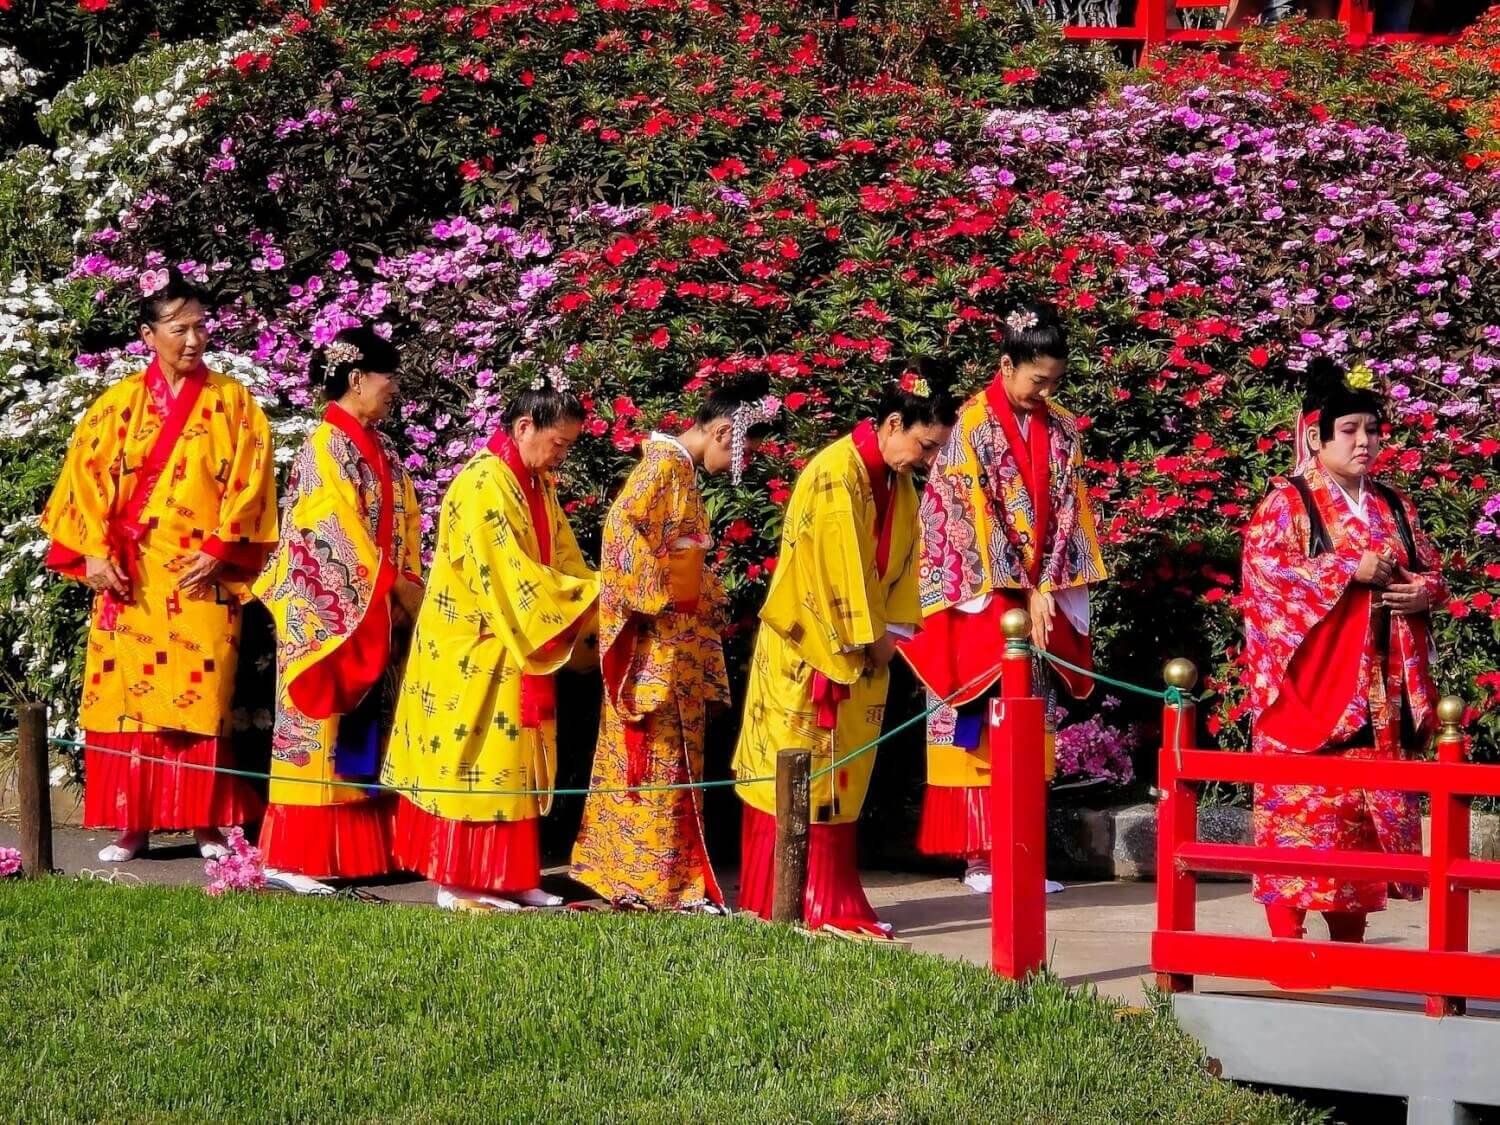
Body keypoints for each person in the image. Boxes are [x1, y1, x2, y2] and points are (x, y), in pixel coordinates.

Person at [41, 269, 277, 863]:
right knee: (128, 703)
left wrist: (222, 547)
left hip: (199, 577)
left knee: (203, 699)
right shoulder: (116, 406)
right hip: (130, 577)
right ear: (149, 335)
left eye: (200, 326)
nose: (195, 338)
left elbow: (253, 480)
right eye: (180, 328)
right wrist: (93, 552)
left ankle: (205, 824)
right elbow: (84, 482)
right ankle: (133, 827)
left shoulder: (232, 403)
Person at [732, 375, 958, 939]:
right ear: (891, 425)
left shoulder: (895, 480)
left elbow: (904, 563)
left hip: (860, 644)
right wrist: (876, 637)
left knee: (839, 773)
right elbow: (837, 571)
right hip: (808, 651)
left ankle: (820, 898)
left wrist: (893, 632)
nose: (927, 460)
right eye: (925, 446)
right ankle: (790, 899)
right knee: (789, 771)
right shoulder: (837, 474)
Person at [900, 306, 1107, 894]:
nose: (1045, 392)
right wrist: (1025, 586)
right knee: (980, 717)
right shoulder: (969, 426)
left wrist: (1048, 585)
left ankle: (1021, 851)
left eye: (1054, 381)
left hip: (1036, 590)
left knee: (1028, 718)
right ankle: (981, 858)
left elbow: (1068, 510)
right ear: (1006, 365)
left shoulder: (1062, 428)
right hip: (981, 595)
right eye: (1036, 379)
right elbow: (970, 518)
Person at [1241, 358, 1445, 943]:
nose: (1364, 442)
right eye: (1350, 429)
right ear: (1317, 437)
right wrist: (1343, 568)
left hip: (1379, 700)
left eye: (1372, 430)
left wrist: (1419, 593)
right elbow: (1265, 581)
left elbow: (1432, 572)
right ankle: (1287, 946)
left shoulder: (1393, 505)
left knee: (1359, 834)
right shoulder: (1287, 502)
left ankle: (1350, 948)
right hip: (1312, 692)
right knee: (1300, 828)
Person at [382, 373, 599, 912]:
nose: (561, 458)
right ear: (526, 426)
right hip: (472, 647)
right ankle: (458, 882)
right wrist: (590, 596)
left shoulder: (534, 483)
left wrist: (595, 589)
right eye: (559, 444)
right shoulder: (483, 484)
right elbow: (508, 573)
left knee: (514, 765)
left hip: (508, 643)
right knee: (474, 762)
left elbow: (563, 559)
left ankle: (513, 874)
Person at [570, 378, 779, 912]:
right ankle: (652, 883)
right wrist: (663, 591)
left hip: (674, 637)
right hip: (659, 641)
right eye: (744, 450)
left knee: (668, 759)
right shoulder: (665, 466)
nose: (745, 461)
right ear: (723, 430)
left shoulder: (675, 468)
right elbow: (620, 529)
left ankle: (649, 879)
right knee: (658, 758)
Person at [252, 328, 425, 895]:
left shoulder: (383, 449)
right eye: (389, 378)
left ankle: (360, 853)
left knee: (367, 733)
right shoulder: (323, 447)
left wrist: (402, 590)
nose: (395, 389)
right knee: (318, 734)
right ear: (357, 379)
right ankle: (298, 858)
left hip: (378, 606)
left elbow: (405, 525)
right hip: (329, 618)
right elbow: (331, 535)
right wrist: (393, 589)